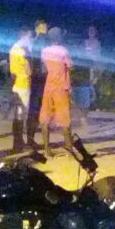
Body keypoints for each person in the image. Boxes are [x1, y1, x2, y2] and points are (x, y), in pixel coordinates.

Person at [39, 27, 75, 155]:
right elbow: (70, 66)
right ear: (59, 37)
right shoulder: (63, 51)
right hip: (61, 87)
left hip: (49, 86)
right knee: (64, 119)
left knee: (45, 118)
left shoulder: (44, 51)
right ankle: (69, 149)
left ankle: (47, 150)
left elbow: (44, 69)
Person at [8, 28, 33, 151]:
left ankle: (17, 142)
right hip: (23, 84)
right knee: (20, 115)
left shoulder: (13, 48)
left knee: (18, 114)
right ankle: (18, 143)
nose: (30, 39)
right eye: (29, 37)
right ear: (23, 37)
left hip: (17, 84)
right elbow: (29, 71)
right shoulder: (22, 51)